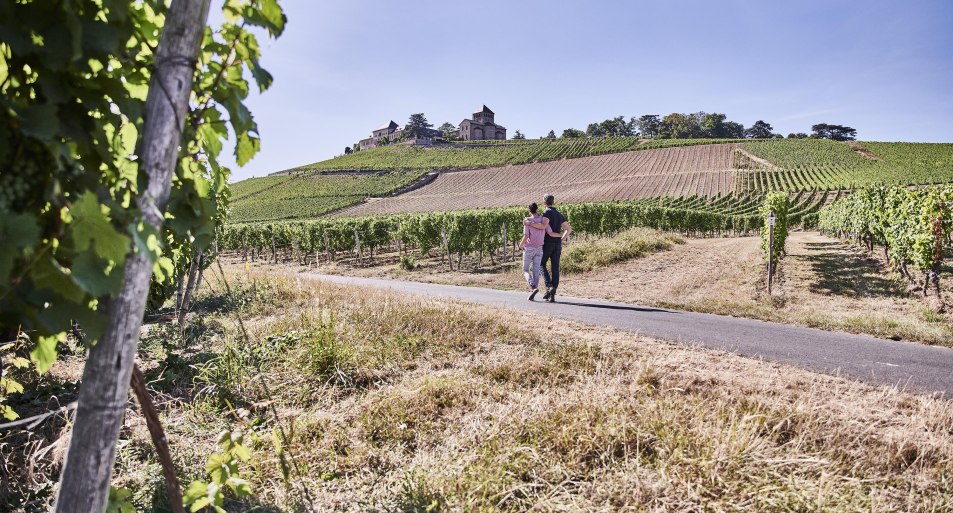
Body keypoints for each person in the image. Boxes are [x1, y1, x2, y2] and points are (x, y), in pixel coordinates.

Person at [525, 194, 571, 302]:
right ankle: (552, 295)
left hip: (548, 244)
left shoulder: (547, 212)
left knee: (541, 264)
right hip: (557, 245)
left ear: (545, 202)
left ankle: (549, 286)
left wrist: (529, 223)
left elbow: (544, 226)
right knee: (555, 268)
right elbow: (568, 229)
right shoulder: (559, 214)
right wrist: (561, 239)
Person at [518, 202, 563, 300]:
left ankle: (533, 287)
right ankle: (535, 290)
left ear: (529, 210)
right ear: (537, 210)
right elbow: (550, 233)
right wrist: (562, 235)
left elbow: (526, 236)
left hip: (529, 248)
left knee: (525, 270)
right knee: (536, 271)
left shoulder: (527, 221)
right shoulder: (543, 221)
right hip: (540, 249)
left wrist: (520, 245)